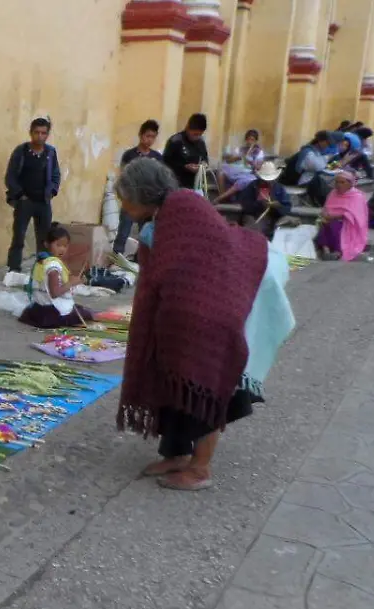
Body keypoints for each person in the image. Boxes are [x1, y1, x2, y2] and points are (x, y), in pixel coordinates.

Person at [113, 158, 268, 491]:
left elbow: (197, 261)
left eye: (124, 197)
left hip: (207, 312)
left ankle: (200, 469)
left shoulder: (182, 205)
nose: (122, 205)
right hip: (181, 312)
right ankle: (177, 453)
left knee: (203, 384)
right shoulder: (160, 216)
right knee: (172, 379)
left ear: (141, 193)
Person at [4, 117, 62, 272]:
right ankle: (13, 269)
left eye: (43, 133)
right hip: (25, 202)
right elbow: (10, 176)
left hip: (43, 202)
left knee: (44, 239)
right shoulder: (21, 151)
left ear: (47, 134)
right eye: (36, 132)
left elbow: (56, 175)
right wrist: (20, 194)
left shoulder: (50, 153)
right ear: (31, 133)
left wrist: (52, 191)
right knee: (18, 237)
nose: (40, 136)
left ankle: (42, 269)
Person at [17, 224, 94, 329]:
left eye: (65, 246)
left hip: (37, 308)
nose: (62, 249)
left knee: (79, 308)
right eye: (58, 245)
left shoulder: (42, 260)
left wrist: (76, 281)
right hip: (50, 312)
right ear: (47, 244)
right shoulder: (53, 266)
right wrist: (71, 283)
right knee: (86, 314)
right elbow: (55, 293)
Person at [113, 120, 163, 256]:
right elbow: (123, 176)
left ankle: (141, 259)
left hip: (147, 202)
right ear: (141, 135)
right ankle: (116, 257)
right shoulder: (129, 155)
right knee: (123, 230)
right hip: (131, 199)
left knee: (145, 232)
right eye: (147, 136)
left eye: (153, 137)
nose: (149, 140)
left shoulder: (156, 157)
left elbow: (160, 179)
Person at [314, 170, 370, 262]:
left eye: (342, 182)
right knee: (323, 224)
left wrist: (335, 217)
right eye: (337, 182)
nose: (338, 185)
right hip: (330, 219)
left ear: (350, 183)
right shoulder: (333, 193)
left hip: (350, 223)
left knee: (335, 225)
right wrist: (325, 215)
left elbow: (356, 215)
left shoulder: (357, 196)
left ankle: (337, 251)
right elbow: (326, 207)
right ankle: (326, 250)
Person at [228, 162, 292, 240]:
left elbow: (287, 208)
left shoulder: (279, 189)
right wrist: (259, 204)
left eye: (270, 180)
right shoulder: (253, 186)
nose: (268, 183)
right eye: (265, 180)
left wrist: (278, 206)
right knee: (253, 232)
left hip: (273, 219)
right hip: (254, 217)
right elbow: (244, 204)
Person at [162, 113, 210, 190]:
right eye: (195, 134)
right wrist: (184, 167)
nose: (197, 137)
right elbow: (165, 163)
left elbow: (205, 159)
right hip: (176, 183)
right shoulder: (175, 141)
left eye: (199, 134)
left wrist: (203, 165)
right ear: (188, 128)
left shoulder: (200, 143)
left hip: (194, 184)